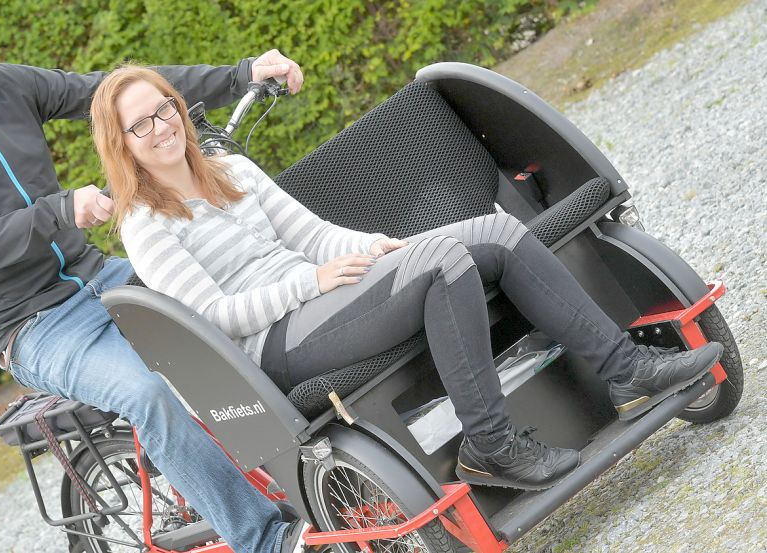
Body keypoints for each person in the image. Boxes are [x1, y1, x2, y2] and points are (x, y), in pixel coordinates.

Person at [95, 65, 724, 491]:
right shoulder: (144, 225)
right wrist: (313, 282)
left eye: (166, 109)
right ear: (120, 144)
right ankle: (492, 447)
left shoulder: (230, 167)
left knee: (493, 234)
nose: (161, 128)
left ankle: (627, 372)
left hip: (325, 294)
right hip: (277, 342)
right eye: (140, 124)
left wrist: (385, 247)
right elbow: (215, 316)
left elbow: (314, 236)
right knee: (443, 269)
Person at [0, 1, 314, 551]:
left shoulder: (3, 84)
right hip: (28, 324)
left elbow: (119, 93)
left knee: (226, 300)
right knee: (150, 394)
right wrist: (58, 212)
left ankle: (318, 464)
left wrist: (241, 74)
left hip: (96, 275)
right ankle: (264, 538)